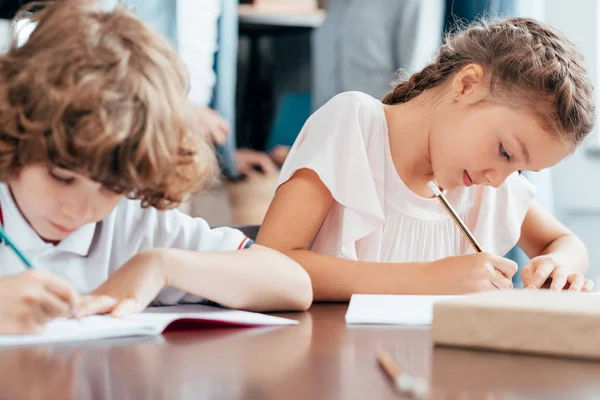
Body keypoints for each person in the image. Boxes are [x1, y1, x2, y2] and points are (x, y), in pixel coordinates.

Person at [0, 0, 312, 334]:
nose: (77, 208)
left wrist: (161, 265)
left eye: (110, 187)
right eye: (61, 177)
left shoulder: (131, 222)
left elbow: (294, 284)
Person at [256, 18, 595, 300]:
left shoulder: (485, 184)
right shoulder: (355, 125)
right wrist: (428, 279)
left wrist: (559, 263)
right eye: (505, 152)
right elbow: (270, 264)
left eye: (518, 169)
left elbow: (567, 243)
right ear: (466, 85)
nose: (497, 179)